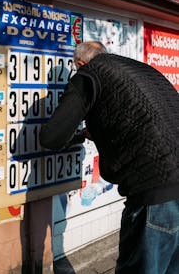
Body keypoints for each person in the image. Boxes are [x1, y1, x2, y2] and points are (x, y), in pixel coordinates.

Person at [39, 41, 179, 274]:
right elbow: (144, 120)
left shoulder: (89, 75)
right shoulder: (139, 69)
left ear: (81, 64)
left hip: (155, 192)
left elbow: (52, 137)